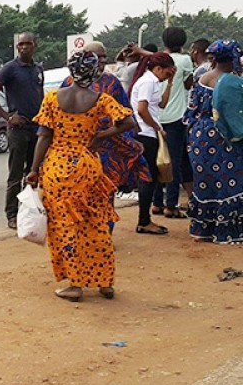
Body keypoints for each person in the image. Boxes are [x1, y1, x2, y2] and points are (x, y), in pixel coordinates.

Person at [25, 51, 134, 302]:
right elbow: (127, 123)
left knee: (65, 227)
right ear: (95, 71)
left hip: (57, 168)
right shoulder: (100, 99)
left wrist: (33, 170)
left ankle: (75, 284)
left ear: (70, 69)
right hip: (87, 166)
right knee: (95, 222)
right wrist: (101, 136)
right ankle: (104, 282)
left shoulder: (53, 98)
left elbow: (44, 136)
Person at [60, 42, 151, 201]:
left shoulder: (111, 82)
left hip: (108, 145)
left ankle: (135, 220)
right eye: (98, 57)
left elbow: (126, 113)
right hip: (79, 146)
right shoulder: (68, 84)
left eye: (104, 57)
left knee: (108, 187)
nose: (102, 60)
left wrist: (132, 139)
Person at [184, 39, 243, 244]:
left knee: (205, 182)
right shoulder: (231, 82)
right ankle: (228, 231)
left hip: (200, 137)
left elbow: (191, 111)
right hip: (224, 137)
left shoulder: (201, 78)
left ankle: (202, 230)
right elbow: (235, 117)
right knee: (229, 182)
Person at [0, 32, 44, 229]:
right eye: (21, 44)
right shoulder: (9, 69)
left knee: (34, 172)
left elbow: (40, 95)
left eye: (28, 44)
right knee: (15, 175)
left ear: (35, 45)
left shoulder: (38, 69)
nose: (24, 47)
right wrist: (8, 116)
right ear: (17, 47)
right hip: (18, 129)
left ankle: (30, 211)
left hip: (36, 129)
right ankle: (11, 214)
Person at [130, 52, 177, 235]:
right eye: (166, 73)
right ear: (157, 68)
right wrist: (157, 128)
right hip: (146, 134)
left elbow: (162, 104)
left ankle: (145, 218)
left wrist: (170, 83)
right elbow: (142, 109)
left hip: (150, 133)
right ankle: (144, 220)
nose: (167, 76)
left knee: (152, 176)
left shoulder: (153, 82)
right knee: (148, 178)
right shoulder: (148, 82)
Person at [152, 27, 194, 219]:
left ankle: (156, 203)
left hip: (156, 116)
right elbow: (188, 84)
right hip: (176, 115)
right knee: (173, 162)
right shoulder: (184, 60)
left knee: (157, 159)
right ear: (183, 42)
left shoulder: (156, 60)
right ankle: (172, 205)